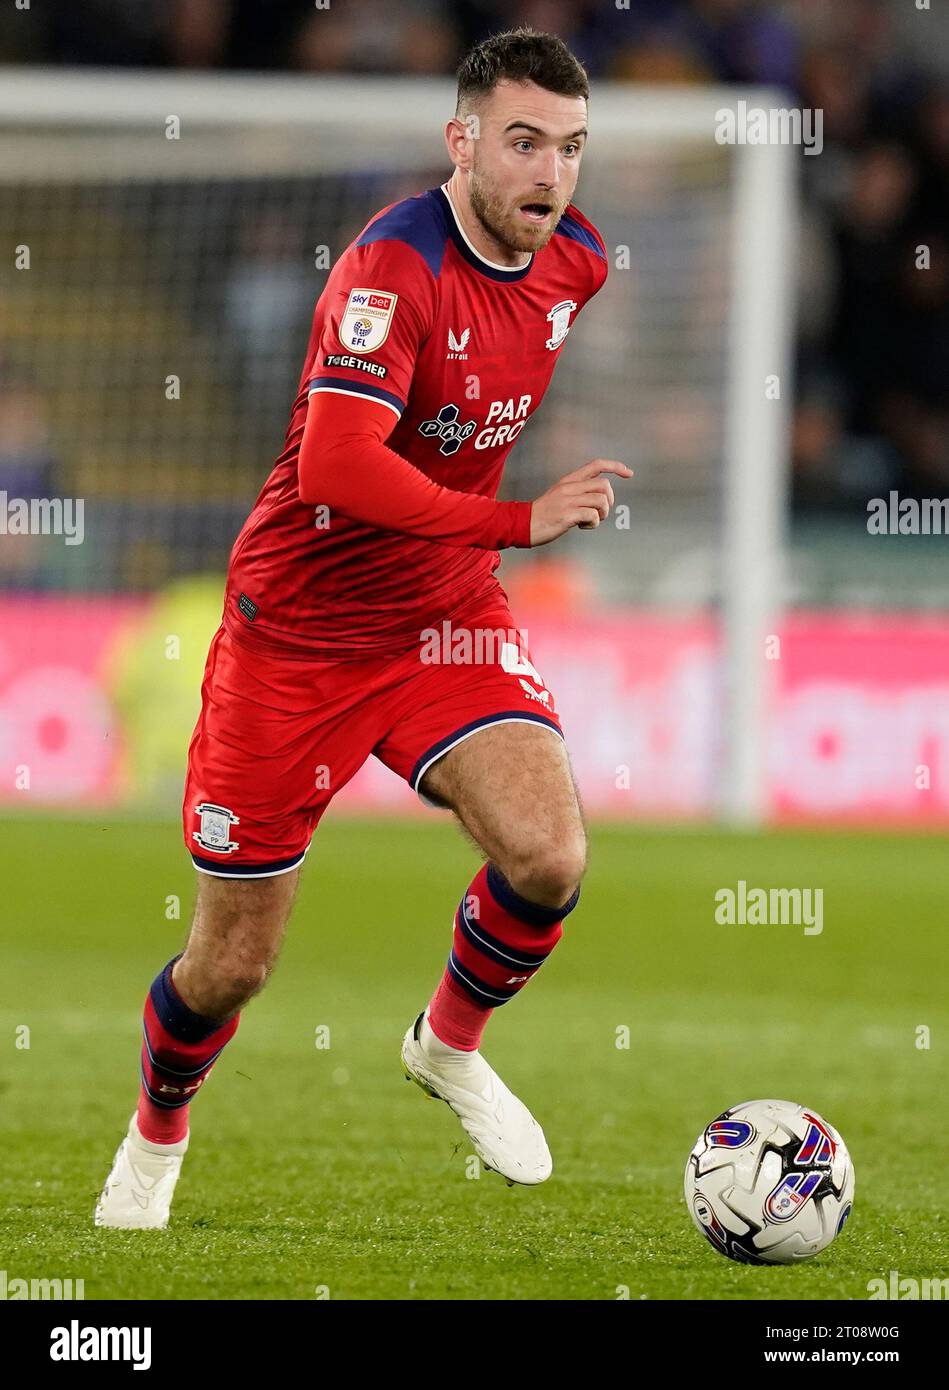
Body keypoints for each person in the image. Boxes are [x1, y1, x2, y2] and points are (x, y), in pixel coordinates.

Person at [95, 25, 630, 1229]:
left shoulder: (577, 262)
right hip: (294, 637)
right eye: (524, 143)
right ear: (461, 141)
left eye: (573, 149)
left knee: (548, 855)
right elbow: (338, 465)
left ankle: (447, 1044)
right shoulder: (391, 269)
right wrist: (514, 518)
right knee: (231, 965)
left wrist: (475, 535)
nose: (550, 174)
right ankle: (155, 1134)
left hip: (440, 616)